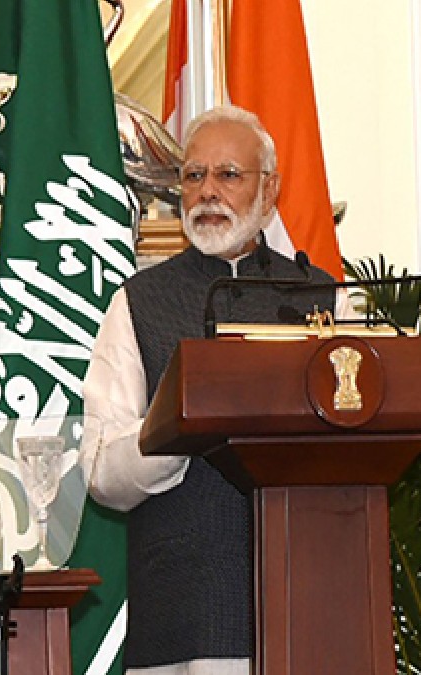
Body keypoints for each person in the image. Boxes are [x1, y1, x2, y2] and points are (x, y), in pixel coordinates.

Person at [81, 105, 336, 674]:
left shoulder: (322, 299)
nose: (208, 191)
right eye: (194, 175)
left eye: (228, 174)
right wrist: (176, 426)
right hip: (185, 613)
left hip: (304, 601)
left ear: (269, 190)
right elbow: (99, 470)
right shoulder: (140, 302)